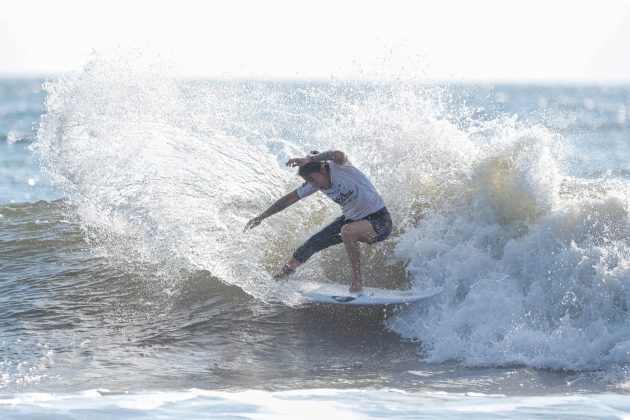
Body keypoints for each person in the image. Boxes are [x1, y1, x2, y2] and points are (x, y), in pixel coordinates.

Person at [244, 150, 392, 293]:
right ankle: (282, 277)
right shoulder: (314, 184)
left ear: (322, 169)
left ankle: (357, 281)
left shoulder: (340, 167)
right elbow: (288, 199)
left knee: (347, 231)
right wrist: (261, 217)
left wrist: (310, 159)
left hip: (380, 221)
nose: (313, 184)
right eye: (308, 181)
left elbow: (338, 153)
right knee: (312, 243)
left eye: (312, 179)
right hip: (351, 220)